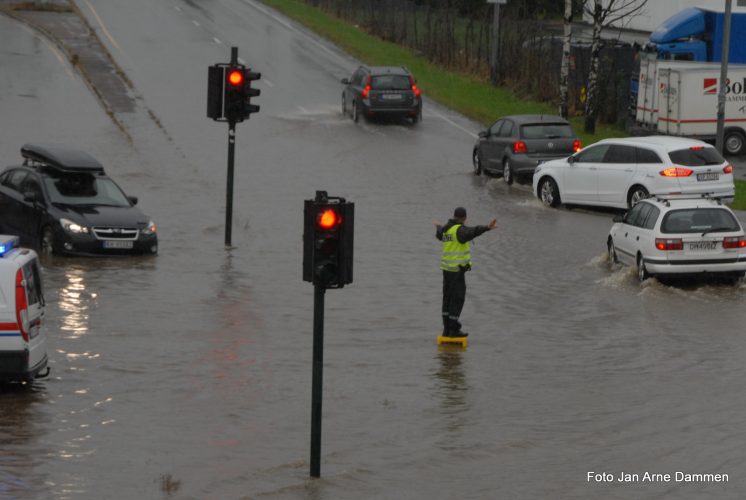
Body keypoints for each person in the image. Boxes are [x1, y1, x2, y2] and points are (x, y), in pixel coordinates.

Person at [434, 207, 496, 337]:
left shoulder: (446, 229)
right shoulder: (459, 230)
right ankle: (453, 330)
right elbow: (472, 231)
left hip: (447, 270)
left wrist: (438, 226)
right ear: (464, 218)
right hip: (457, 271)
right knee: (457, 299)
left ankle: (446, 329)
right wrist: (487, 228)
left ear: (454, 216)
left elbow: (439, 233)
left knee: (447, 298)